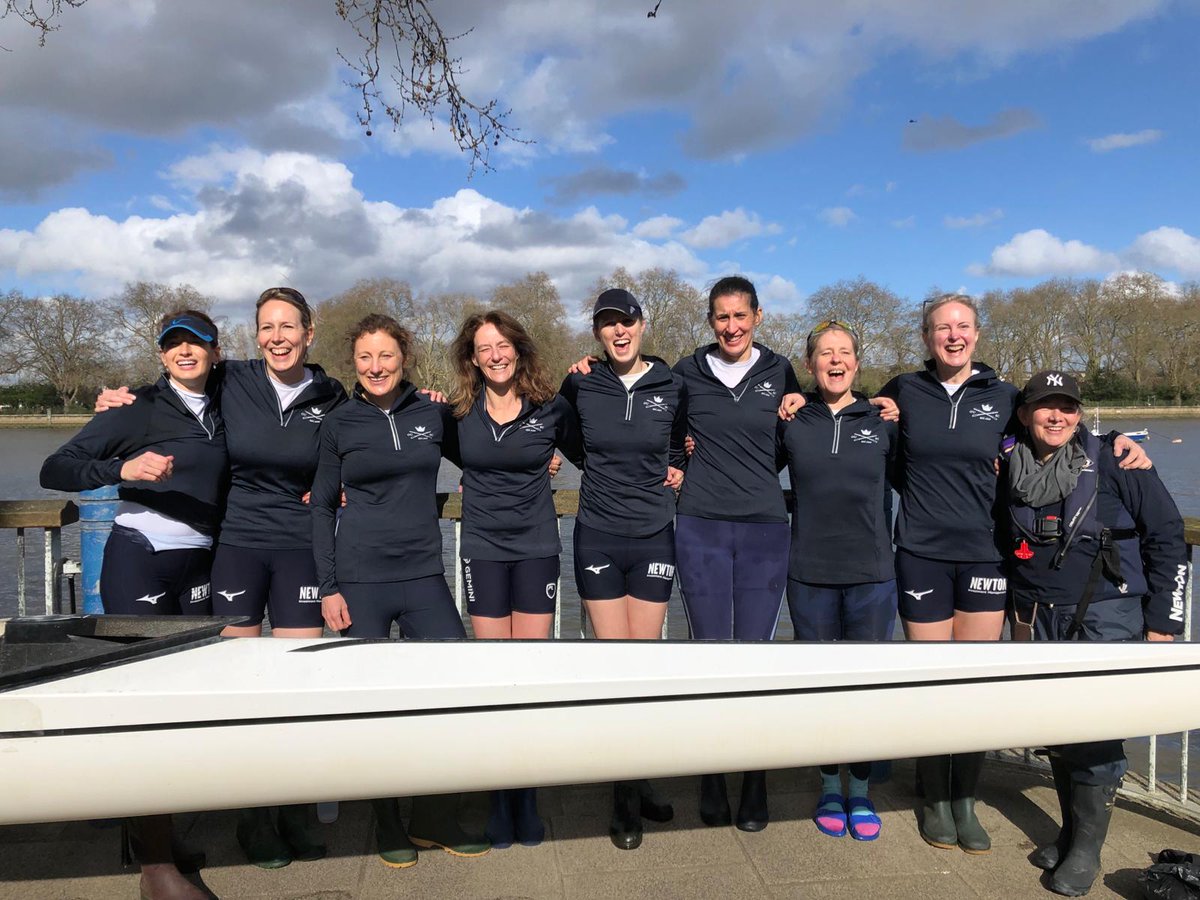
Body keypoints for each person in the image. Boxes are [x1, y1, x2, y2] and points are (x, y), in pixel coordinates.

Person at [877, 294, 1149, 854]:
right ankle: (933, 798)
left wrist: (1119, 439)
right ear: (926, 336)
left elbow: (1062, 427)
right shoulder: (903, 390)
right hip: (921, 552)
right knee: (931, 682)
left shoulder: (1004, 397)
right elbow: (852, 418)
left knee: (976, 685)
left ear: (976, 334)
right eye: (942, 327)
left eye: (964, 327)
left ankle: (964, 799)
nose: (953, 336)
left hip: (987, 553)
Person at [95, 288, 347, 869]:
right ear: (255, 335)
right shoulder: (231, 378)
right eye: (266, 326)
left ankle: (293, 808)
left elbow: (359, 443)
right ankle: (252, 817)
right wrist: (113, 395)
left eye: (288, 326)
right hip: (236, 547)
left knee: (297, 687)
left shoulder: (330, 393)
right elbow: (171, 385)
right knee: (244, 687)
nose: (277, 336)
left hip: (301, 548)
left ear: (310, 332)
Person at [41, 309, 226, 900]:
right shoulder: (137, 408)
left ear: (215, 351)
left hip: (201, 564)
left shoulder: (227, 401)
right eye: (172, 345)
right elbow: (55, 468)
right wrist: (121, 465)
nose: (184, 352)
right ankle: (155, 868)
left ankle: (154, 839)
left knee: (188, 702)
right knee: (149, 708)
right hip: (140, 558)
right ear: (162, 355)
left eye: (194, 344)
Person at [311, 313, 488, 869]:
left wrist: (543, 459)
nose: (376, 367)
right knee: (371, 707)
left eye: (385, 356)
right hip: (360, 580)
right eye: (365, 358)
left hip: (422, 577)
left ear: (404, 357)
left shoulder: (432, 412)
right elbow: (320, 505)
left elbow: (487, 447)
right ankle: (387, 820)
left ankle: (436, 818)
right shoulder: (340, 423)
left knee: (453, 694)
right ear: (354, 365)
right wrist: (328, 586)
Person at [1000, 370, 1185, 897]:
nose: (1056, 416)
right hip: (1038, 615)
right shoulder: (1010, 462)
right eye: (1044, 407)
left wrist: (1163, 625)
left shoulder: (1117, 459)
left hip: (1108, 614)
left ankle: (1087, 849)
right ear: (1025, 414)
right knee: (1060, 730)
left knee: (1098, 734)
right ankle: (1069, 831)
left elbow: (1168, 534)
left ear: (1080, 413)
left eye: (1067, 407)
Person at [671, 275, 801, 832]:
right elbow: (663, 429)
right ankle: (711, 776)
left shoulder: (781, 371)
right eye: (721, 317)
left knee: (756, 657)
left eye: (739, 316)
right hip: (699, 523)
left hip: (765, 529)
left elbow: (796, 436)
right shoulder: (685, 372)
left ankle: (753, 778)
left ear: (758, 316)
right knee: (710, 653)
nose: (731, 326)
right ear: (710, 321)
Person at [447, 309, 581, 848]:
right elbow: (412, 453)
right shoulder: (455, 413)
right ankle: (499, 796)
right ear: (472, 359)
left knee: (529, 676)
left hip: (536, 550)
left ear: (518, 350)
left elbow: (595, 452)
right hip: (482, 550)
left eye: (503, 345)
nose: (495, 355)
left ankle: (526, 796)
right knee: (495, 678)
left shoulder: (552, 409)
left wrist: (676, 458)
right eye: (485, 348)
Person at [558, 288, 686, 850]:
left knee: (645, 667)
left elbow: (685, 438)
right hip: (600, 535)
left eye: (626, 321)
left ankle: (639, 778)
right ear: (598, 333)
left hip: (655, 533)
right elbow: (565, 440)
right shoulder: (580, 382)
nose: (618, 331)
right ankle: (623, 800)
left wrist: (678, 464)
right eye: (607, 324)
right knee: (615, 667)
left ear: (641, 322)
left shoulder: (671, 382)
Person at [777, 321, 897, 842]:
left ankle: (862, 791)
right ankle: (829, 784)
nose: (835, 360)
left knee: (869, 690)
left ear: (857, 363)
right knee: (820, 688)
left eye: (844, 352)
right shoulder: (791, 420)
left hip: (871, 573)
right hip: (808, 573)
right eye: (824, 353)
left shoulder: (885, 419)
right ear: (809, 365)